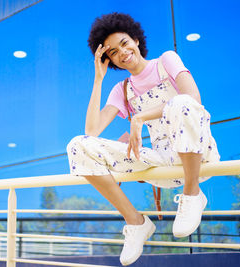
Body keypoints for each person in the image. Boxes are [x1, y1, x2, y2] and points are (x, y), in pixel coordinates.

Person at [67, 12, 220, 266]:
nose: (122, 53)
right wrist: (98, 79)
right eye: (113, 52)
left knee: (182, 102)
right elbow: (91, 132)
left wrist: (139, 118)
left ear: (136, 40)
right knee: (77, 146)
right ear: (110, 59)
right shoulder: (123, 90)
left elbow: (193, 98)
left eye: (125, 43)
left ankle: (193, 194)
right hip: (163, 165)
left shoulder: (166, 61)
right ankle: (136, 222)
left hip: (198, 155)